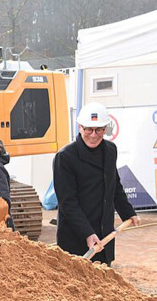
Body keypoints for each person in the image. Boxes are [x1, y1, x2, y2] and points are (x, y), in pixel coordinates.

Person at [53, 102, 139, 265]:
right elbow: (67, 202)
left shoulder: (110, 150)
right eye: (88, 129)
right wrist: (87, 233)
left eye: (98, 129)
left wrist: (128, 213)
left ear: (105, 129)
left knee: (102, 280)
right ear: (80, 127)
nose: (93, 135)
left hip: (104, 234)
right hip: (76, 236)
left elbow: (115, 186)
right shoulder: (65, 157)